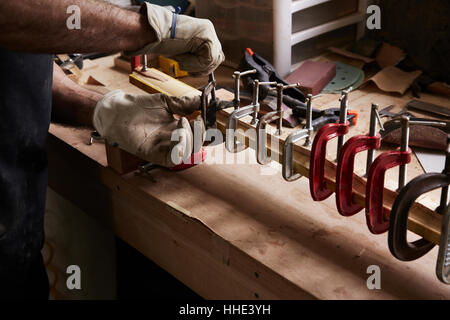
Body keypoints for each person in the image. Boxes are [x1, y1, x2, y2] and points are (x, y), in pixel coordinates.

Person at [0, 1, 224, 299]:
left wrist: (99, 109)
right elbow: (11, 15)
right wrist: (152, 27)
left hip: (15, 243)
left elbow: (16, 57)